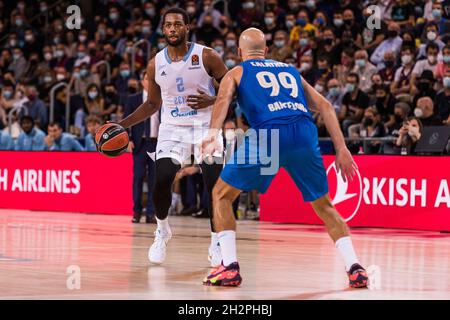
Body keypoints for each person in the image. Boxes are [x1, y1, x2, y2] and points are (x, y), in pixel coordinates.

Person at [201, 28, 368, 288]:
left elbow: (223, 100)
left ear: (239, 53)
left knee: (221, 195)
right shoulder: (290, 70)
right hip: (303, 133)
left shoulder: (237, 72)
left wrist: (212, 134)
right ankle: (355, 267)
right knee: (324, 206)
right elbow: (324, 105)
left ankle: (229, 267)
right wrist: (342, 148)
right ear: (267, 51)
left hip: (269, 134)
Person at [117, 8, 228, 267]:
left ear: (187, 27)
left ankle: (216, 241)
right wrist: (122, 125)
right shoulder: (156, 62)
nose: (173, 29)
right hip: (173, 128)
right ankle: (162, 229)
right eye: (168, 25)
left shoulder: (208, 56)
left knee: (214, 187)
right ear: (163, 29)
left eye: (178, 24)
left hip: (206, 126)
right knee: (163, 178)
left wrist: (212, 99)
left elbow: (231, 89)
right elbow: (153, 104)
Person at [124, 71, 160, 224]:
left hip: (156, 142)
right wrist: (128, 139)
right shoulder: (133, 99)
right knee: (138, 178)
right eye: (147, 78)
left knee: (154, 180)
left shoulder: (162, 98)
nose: (149, 81)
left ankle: (151, 213)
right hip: (139, 144)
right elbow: (126, 120)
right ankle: (136, 212)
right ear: (142, 81)